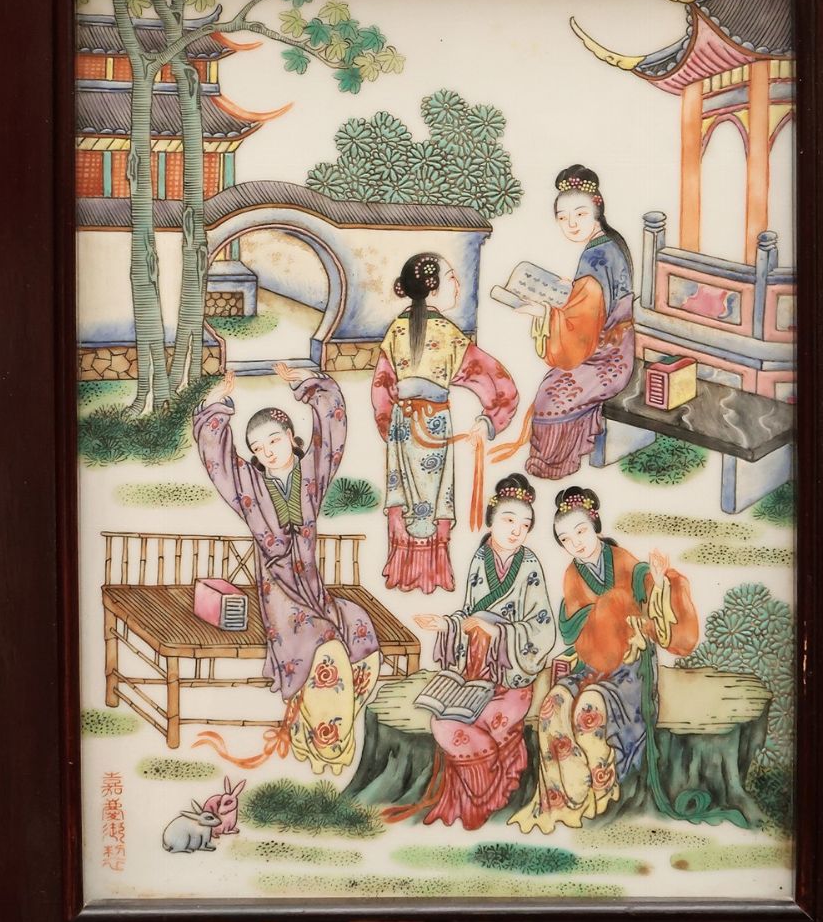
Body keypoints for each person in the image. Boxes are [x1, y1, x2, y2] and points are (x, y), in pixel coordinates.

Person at [189, 363, 382, 776]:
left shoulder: (312, 470)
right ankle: (331, 750)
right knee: (326, 648)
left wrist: (309, 384)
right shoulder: (247, 484)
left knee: (360, 638)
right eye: (258, 448)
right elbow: (216, 458)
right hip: (277, 590)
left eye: (274, 440)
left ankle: (311, 736)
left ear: (293, 438)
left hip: (311, 585)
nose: (268, 452)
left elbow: (332, 427)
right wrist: (216, 406)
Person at [509, 485, 701, 833]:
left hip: (629, 664)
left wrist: (659, 583)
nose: (576, 543)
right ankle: (567, 796)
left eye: (581, 531)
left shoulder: (624, 562)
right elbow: (572, 628)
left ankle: (599, 791)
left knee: (589, 710)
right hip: (589, 662)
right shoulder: (573, 575)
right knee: (553, 706)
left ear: (595, 526)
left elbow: (656, 612)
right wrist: (604, 616)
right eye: (566, 539)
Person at [396, 475, 561, 828]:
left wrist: (497, 631)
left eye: (525, 525)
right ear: (491, 520)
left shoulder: (529, 564)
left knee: (487, 722)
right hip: (474, 671)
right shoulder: (480, 558)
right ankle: (486, 786)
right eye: (509, 520)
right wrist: (446, 625)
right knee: (442, 723)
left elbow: (543, 627)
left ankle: (486, 794)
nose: (517, 531)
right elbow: (470, 615)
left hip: (510, 675)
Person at [368, 251, 519, 592]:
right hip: (435, 424)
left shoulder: (396, 331)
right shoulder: (448, 334)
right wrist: (489, 419)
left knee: (406, 497)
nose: (458, 283)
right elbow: (497, 381)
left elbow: (381, 389)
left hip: (403, 429)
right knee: (435, 498)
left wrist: (390, 429)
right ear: (433, 289)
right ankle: (431, 574)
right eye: (451, 277)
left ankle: (404, 571)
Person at [512, 165, 638, 480]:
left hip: (606, 357)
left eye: (580, 214)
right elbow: (592, 305)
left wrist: (545, 313)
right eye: (562, 217)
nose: (571, 224)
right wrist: (569, 295)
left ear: (597, 211)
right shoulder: (608, 244)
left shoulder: (596, 255)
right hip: (612, 346)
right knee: (553, 384)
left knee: (552, 395)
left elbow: (583, 326)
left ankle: (553, 464)